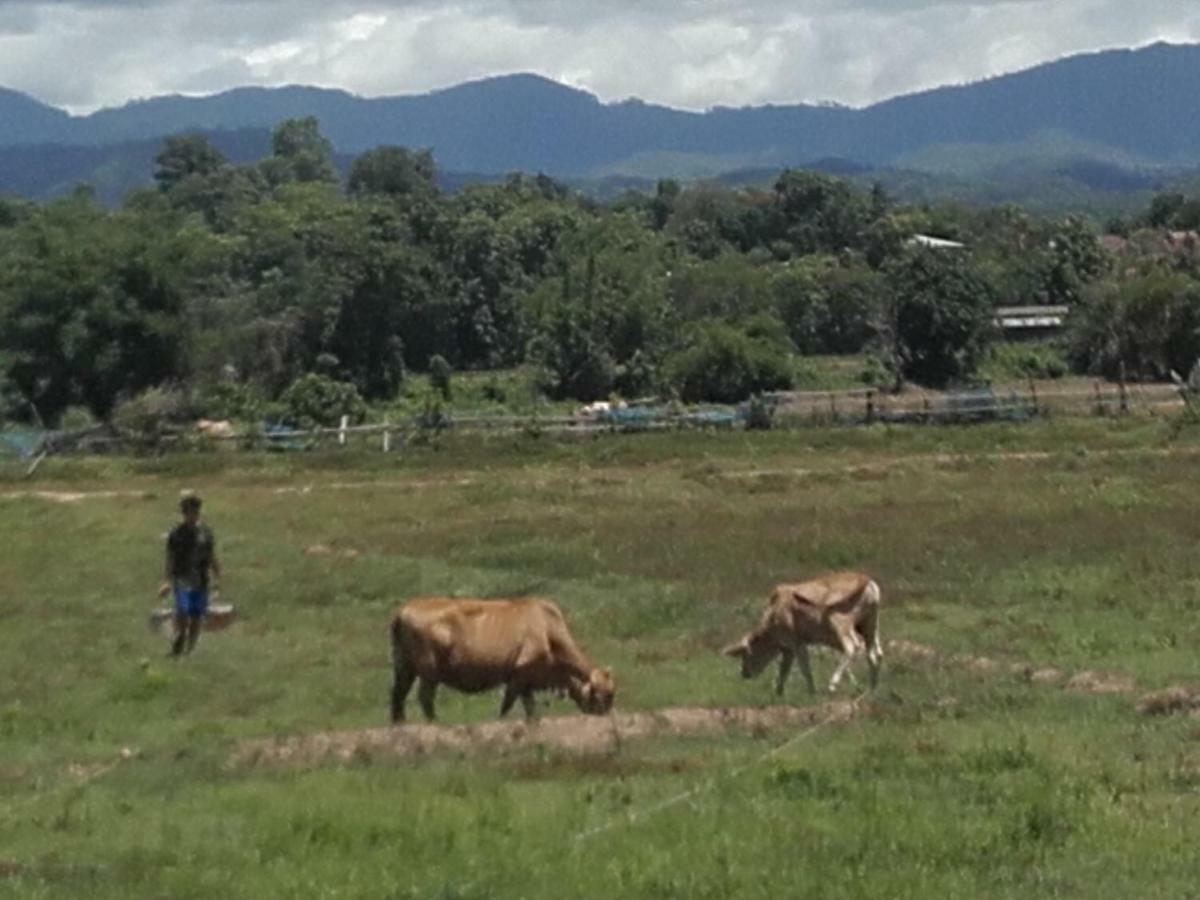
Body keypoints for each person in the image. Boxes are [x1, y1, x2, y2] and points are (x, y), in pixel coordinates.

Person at [158, 492, 222, 657]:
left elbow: (211, 555)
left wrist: (218, 576)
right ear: (183, 514)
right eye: (188, 513)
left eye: (194, 512)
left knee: (196, 616)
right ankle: (180, 636)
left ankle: (190, 648)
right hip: (182, 579)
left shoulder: (205, 533)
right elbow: (170, 559)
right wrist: (166, 581)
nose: (191, 516)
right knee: (183, 611)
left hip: (201, 580)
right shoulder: (176, 534)